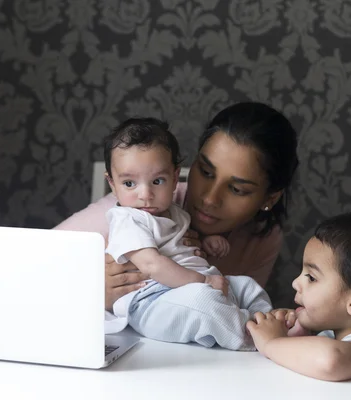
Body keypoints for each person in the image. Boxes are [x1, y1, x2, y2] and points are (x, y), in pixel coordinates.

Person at [54, 102, 300, 316]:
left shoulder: (263, 236)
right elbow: (28, 265)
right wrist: (89, 293)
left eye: (237, 189)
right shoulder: (138, 210)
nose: (210, 198)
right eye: (205, 172)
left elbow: (237, 312)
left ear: (270, 197)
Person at [102, 117, 276, 350]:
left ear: (175, 178)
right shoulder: (128, 220)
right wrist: (202, 280)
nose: (145, 194)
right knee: (202, 303)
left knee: (245, 286)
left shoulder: (173, 212)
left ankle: (272, 324)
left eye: (157, 181)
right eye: (129, 184)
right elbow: (153, 265)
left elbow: (177, 243)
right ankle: (255, 339)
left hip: (187, 288)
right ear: (112, 184)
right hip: (151, 301)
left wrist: (207, 242)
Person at [246, 211, 351, 390]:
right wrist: (292, 335)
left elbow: (330, 360)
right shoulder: (329, 338)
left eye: (311, 277)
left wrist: (272, 343)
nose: (295, 283)